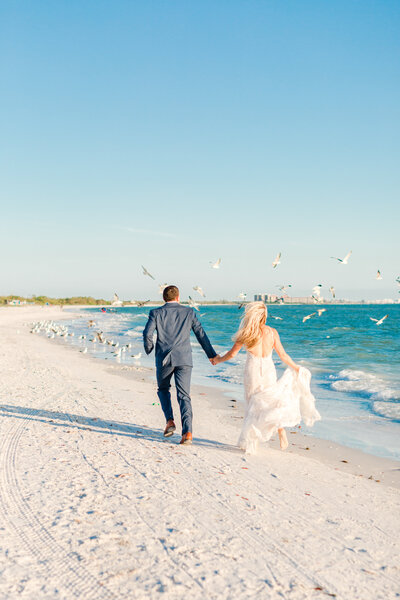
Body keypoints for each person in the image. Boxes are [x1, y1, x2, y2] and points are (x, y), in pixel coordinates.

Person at [212, 302, 320, 454]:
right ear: (265, 316)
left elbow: (232, 354)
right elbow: (282, 355)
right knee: (271, 401)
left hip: (253, 370)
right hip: (269, 369)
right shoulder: (272, 332)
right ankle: (280, 429)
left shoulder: (247, 332)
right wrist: (297, 368)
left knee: (253, 404)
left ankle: (252, 443)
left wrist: (218, 360)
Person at [143, 285, 217, 445]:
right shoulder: (189, 312)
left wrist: (149, 348)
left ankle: (170, 421)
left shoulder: (155, 313)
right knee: (184, 395)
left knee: (163, 389)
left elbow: (147, 333)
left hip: (164, 359)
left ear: (164, 298)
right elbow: (200, 334)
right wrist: (211, 355)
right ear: (178, 297)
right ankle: (188, 432)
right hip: (184, 359)